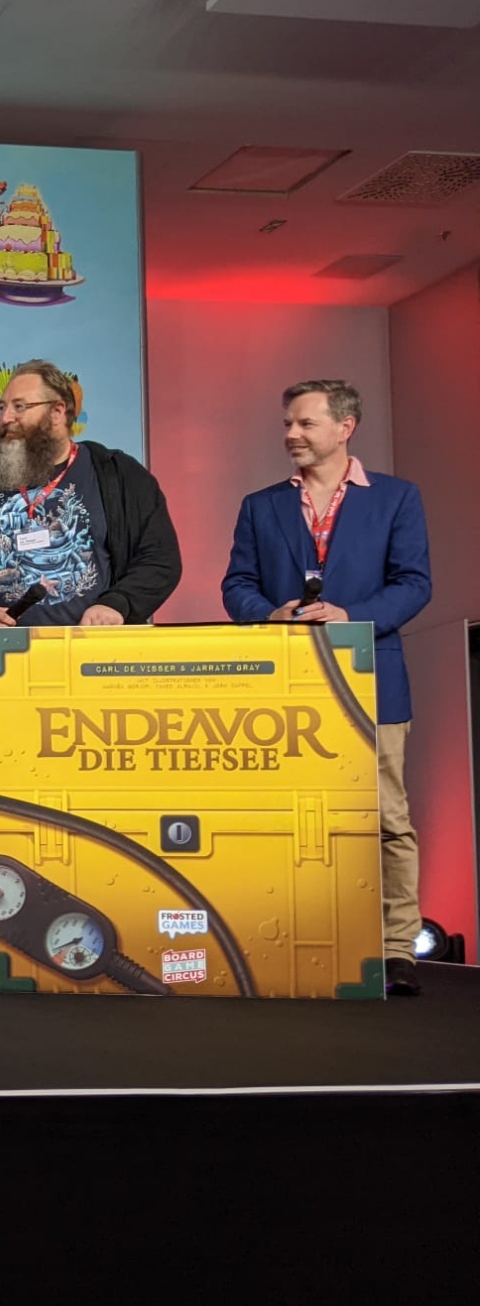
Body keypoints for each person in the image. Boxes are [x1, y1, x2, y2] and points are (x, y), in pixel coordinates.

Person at [0, 359, 182, 983]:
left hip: (95, 676)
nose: (5, 418)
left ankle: (118, 926)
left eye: (20, 407)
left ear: (60, 412)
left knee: (102, 810)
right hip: (0, 678)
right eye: (1, 409)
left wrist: (117, 605)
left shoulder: (118, 475)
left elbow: (159, 559)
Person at [222, 379, 432, 995]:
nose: (291, 434)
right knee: (286, 819)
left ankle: (397, 950)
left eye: (306, 423)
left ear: (346, 428)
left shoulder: (396, 498)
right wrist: (270, 614)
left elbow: (414, 584)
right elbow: (237, 585)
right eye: (288, 423)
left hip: (373, 681)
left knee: (387, 819)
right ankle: (289, 938)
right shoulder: (260, 505)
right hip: (286, 688)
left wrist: (351, 617)